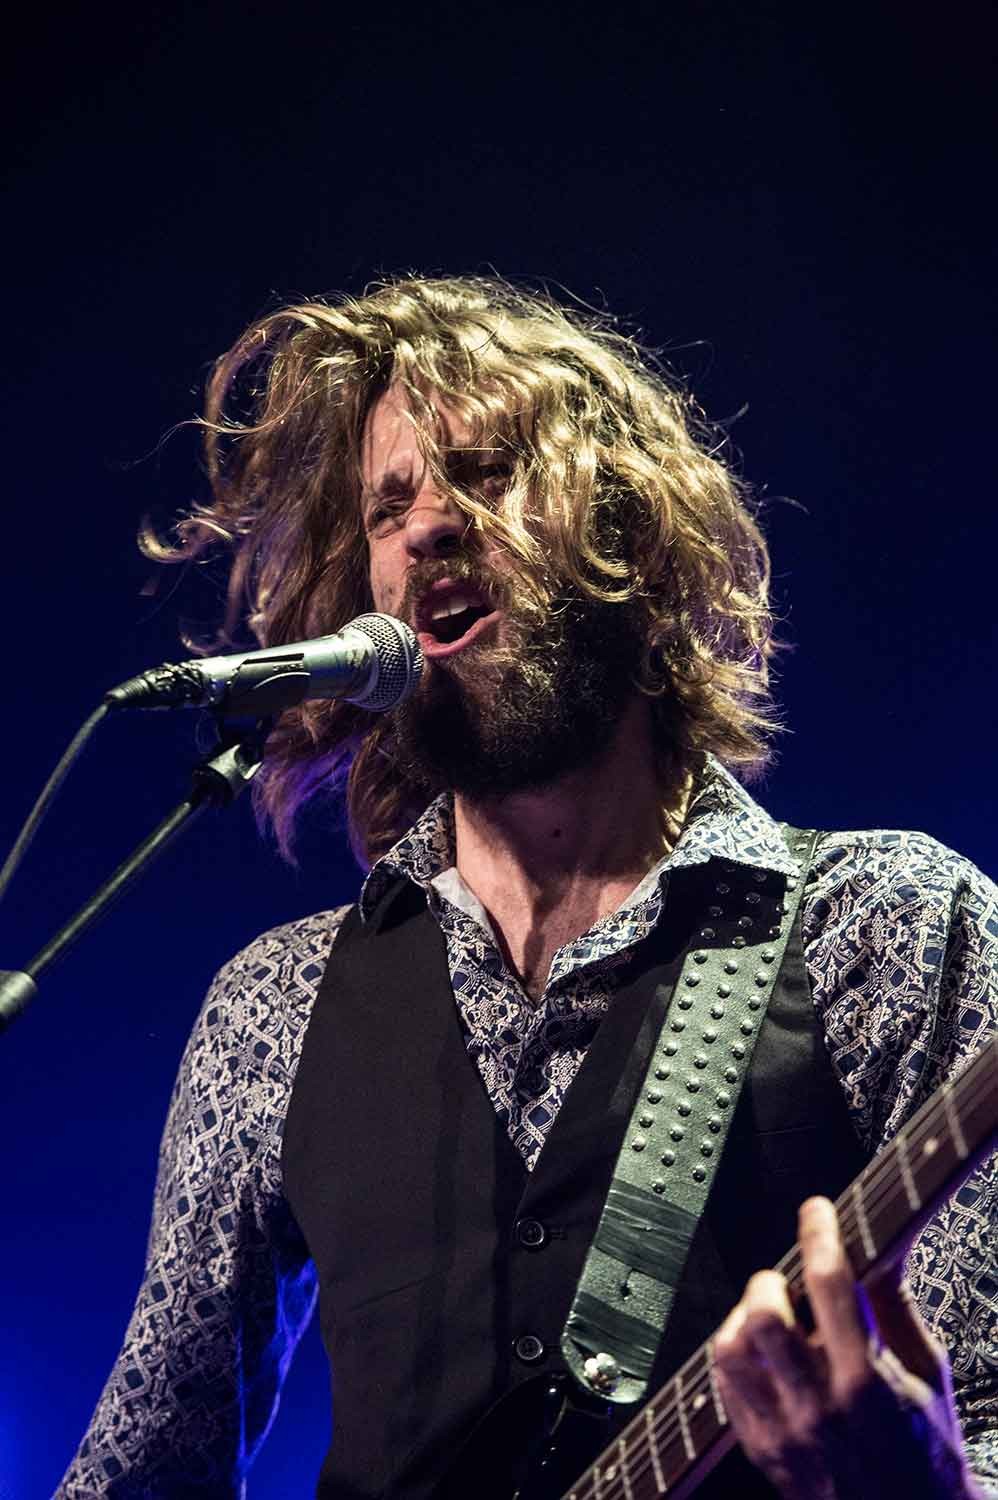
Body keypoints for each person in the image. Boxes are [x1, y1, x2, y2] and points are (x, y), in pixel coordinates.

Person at [57, 275, 997, 1499]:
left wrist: (916, 1483)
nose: (426, 529)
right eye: (388, 506)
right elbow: (142, 1468)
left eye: (485, 472)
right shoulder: (271, 1013)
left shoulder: (884, 928)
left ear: (634, 537)